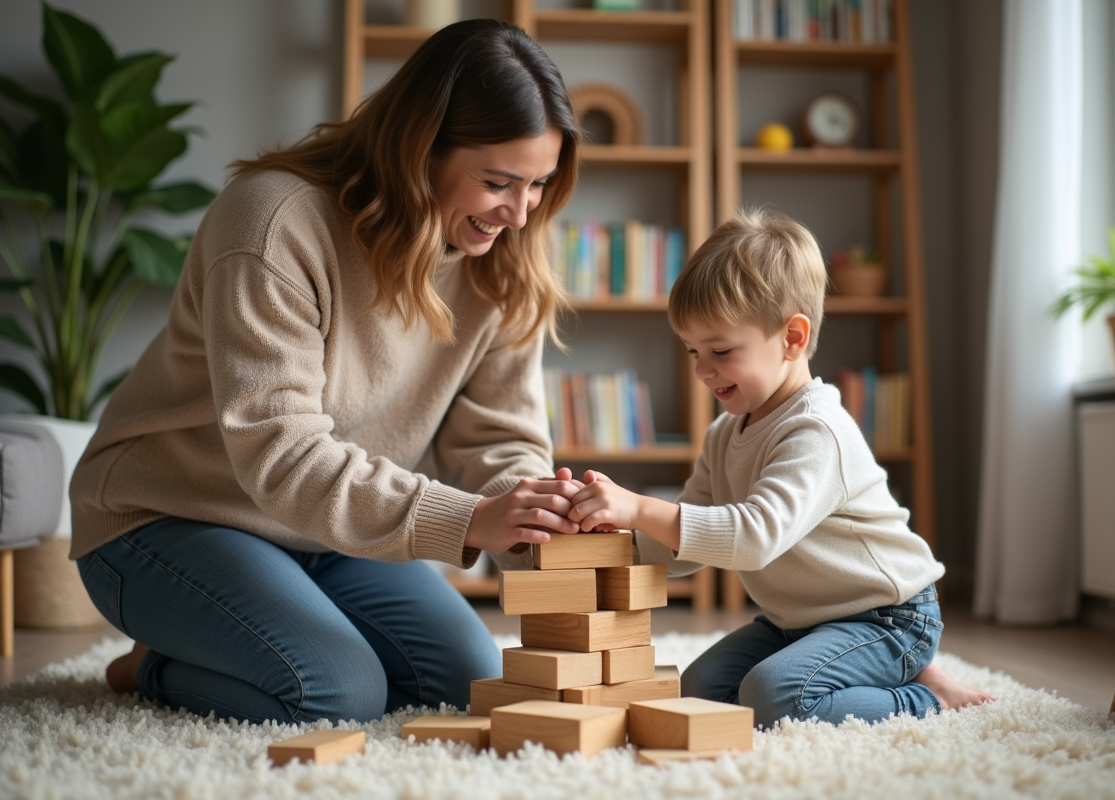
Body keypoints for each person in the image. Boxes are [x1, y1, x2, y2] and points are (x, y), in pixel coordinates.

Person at [69, 18, 586, 725]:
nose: (522, 214)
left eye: (540, 185)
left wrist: (536, 524)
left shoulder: (500, 256)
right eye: (499, 182)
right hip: (166, 515)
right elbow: (281, 457)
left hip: (326, 531)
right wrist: (470, 521)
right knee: (334, 692)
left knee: (467, 679)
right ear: (420, 150)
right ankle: (154, 665)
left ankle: (241, 638)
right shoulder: (274, 221)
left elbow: (496, 440)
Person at [566, 208, 996, 728]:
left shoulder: (817, 432)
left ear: (792, 339)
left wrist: (640, 506)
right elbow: (687, 547)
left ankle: (927, 698)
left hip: (886, 616)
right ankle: (888, 676)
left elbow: (752, 537)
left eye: (720, 350)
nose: (703, 370)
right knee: (700, 690)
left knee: (776, 697)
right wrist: (615, 530)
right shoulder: (724, 434)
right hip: (797, 621)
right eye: (692, 351)